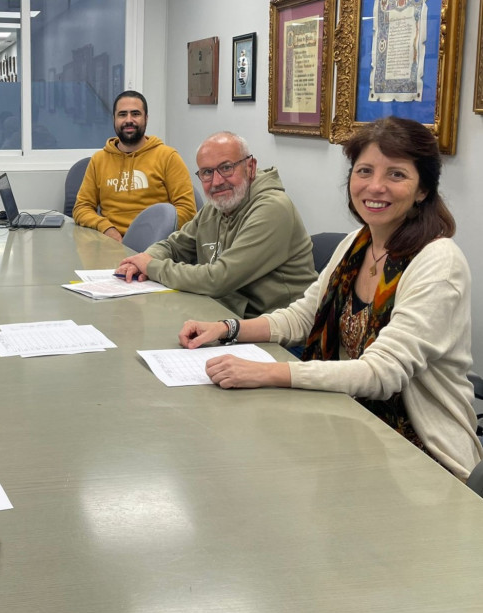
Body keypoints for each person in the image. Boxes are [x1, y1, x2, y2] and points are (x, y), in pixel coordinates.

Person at [178, 117, 482, 480]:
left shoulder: (437, 262)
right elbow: (303, 317)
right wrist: (226, 329)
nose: (376, 186)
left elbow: (380, 373)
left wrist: (265, 372)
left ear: (422, 190)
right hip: (351, 423)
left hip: (422, 457)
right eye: (364, 171)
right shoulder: (357, 244)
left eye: (397, 175)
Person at [116, 131, 316, 319]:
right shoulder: (219, 205)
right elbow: (174, 246)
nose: (217, 181)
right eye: (207, 172)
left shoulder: (273, 208)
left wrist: (151, 266)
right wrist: (144, 259)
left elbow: (219, 279)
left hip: (282, 334)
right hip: (226, 316)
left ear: (251, 167)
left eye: (227, 168)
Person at [72, 90, 197, 242]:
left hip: (156, 246)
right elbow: (81, 207)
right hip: (112, 244)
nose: (129, 120)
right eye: (122, 114)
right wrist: (106, 228)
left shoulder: (168, 157)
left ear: (146, 118)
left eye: (135, 114)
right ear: (114, 119)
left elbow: (187, 211)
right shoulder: (99, 160)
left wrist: (152, 236)